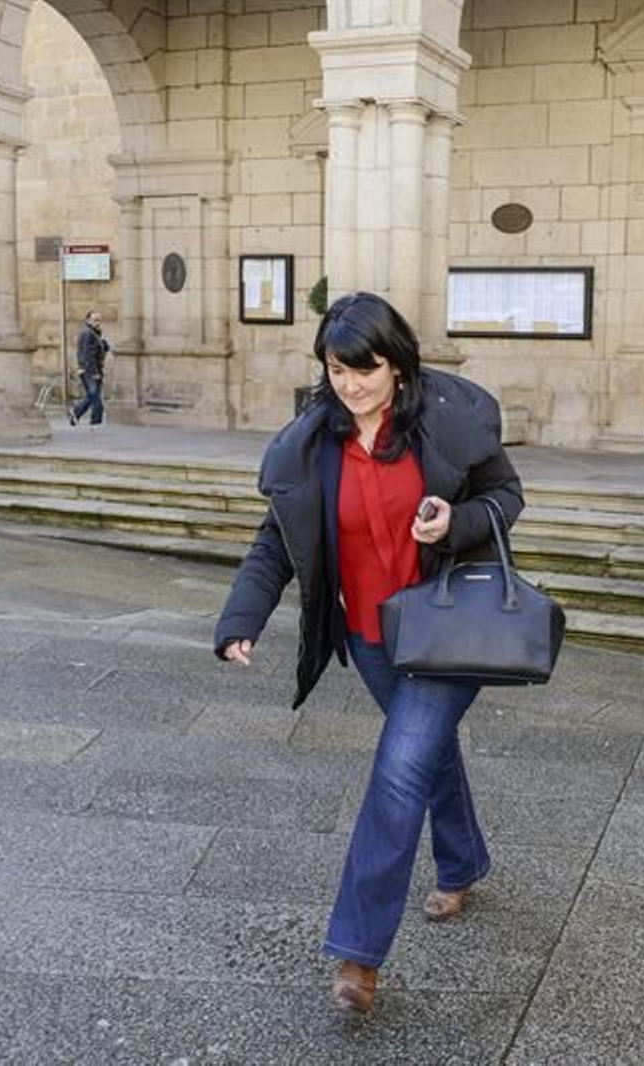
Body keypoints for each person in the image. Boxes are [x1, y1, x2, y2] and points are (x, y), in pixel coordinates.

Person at [213, 291, 523, 1016]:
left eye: (366, 368)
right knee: (428, 756)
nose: (351, 384)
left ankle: (358, 953)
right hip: (372, 638)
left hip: (450, 632)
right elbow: (275, 542)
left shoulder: (449, 421)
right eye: (336, 368)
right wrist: (240, 619)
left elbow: (506, 497)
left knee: (398, 770)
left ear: (397, 361)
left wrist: (456, 522)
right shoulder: (313, 443)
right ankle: (464, 860)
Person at [68, 310, 110, 427]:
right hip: (89, 370)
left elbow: (106, 348)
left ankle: (76, 413)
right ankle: (95, 421)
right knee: (94, 396)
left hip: (95, 369)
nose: (98, 322)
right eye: (95, 320)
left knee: (91, 396)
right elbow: (87, 355)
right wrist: (94, 372)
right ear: (88, 320)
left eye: (99, 320)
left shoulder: (95, 333)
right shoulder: (87, 333)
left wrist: (102, 339)